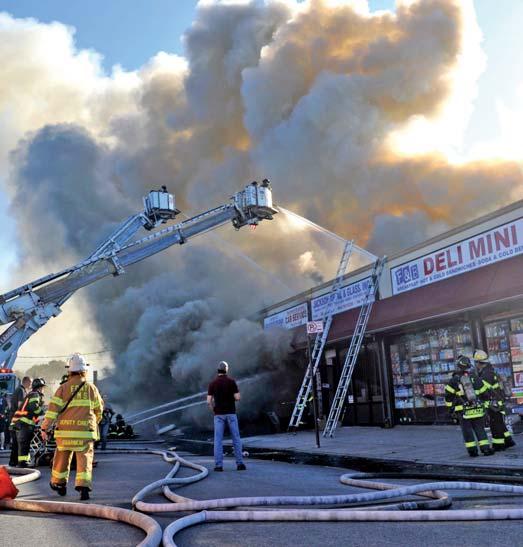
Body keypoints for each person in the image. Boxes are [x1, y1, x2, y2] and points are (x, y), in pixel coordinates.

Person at [41, 353, 103, 500]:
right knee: (84, 458)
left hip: (65, 433)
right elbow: (99, 410)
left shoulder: (62, 388)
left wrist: (44, 428)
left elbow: (52, 411)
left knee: (61, 458)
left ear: (70, 370)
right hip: (85, 432)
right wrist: (94, 422)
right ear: (84, 370)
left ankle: (59, 484)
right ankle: (83, 487)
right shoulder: (91, 388)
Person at [445, 355, 494, 457]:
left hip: (463, 411)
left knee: (467, 431)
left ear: (458, 366)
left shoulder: (453, 380)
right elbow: (485, 393)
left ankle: (472, 451)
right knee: (480, 429)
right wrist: (485, 405)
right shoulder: (475, 377)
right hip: (477, 409)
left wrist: (451, 410)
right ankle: (485, 449)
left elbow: (448, 397)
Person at [207, 361, 246, 472]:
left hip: (218, 415)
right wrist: (231, 397)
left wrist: (214, 410)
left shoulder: (212, 383)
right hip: (231, 414)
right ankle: (240, 464)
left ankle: (218, 466)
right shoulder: (231, 382)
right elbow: (238, 397)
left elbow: (208, 401)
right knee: (236, 439)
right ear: (226, 370)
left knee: (218, 440)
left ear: (218, 370)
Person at [474, 349, 516, 451]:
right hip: (497, 401)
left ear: (479, 363)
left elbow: (484, 391)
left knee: (495, 424)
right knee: (499, 422)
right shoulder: (490, 370)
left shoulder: (486, 374)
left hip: (493, 403)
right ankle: (508, 441)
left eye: (476, 363)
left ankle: (498, 445)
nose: (476, 365)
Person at [11, 378, 46, 467]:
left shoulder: (31, 394)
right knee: (24, 443)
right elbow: (34, 407)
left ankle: (22, 462)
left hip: (20, 423)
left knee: (22, 444)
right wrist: (43, 413)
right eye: (43, 387)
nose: (43, 389)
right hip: (24, 423)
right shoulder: (35, 394)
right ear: (40, 388)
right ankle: (22, 463)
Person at [8, 376, 31, 466]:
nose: (30, 384)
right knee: (17, 441)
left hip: (14, 418)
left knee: (16, 441)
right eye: (30, 382)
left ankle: (13, 461)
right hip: (17, 419)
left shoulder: (19, 390)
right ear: (26, 382)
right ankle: (14, 462)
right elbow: (20, 405)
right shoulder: (21, 391)